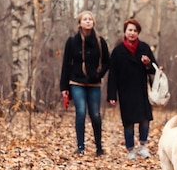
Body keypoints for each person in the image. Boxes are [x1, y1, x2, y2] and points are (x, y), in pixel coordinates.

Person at [60, 11, 110, 156]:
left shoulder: (100, 42)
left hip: (94, 84)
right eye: (85, 19)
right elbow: (66, 65)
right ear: (79, 23)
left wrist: (99, 74)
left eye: (90, 19)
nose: (88, 22)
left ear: (93, 22)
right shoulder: (72, 41)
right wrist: (64, 87)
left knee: (95, 114)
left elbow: (107, 62)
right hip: (76, 81)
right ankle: (80, 147)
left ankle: (99, 147)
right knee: (80, 112)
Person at [108, 18, 159, 160]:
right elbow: (113, 74)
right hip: (125, 91)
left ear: (138, 33)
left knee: (145, 120)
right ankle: (130, 149)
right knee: (128, 122)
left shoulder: (144, 48)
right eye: (129, 30)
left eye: (135, 31)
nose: (132, 33)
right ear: (125, 31)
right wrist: (112, 95)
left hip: (141, 90)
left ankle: (143, 146)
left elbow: (154, 69)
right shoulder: (117, 51)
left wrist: (148, 63)